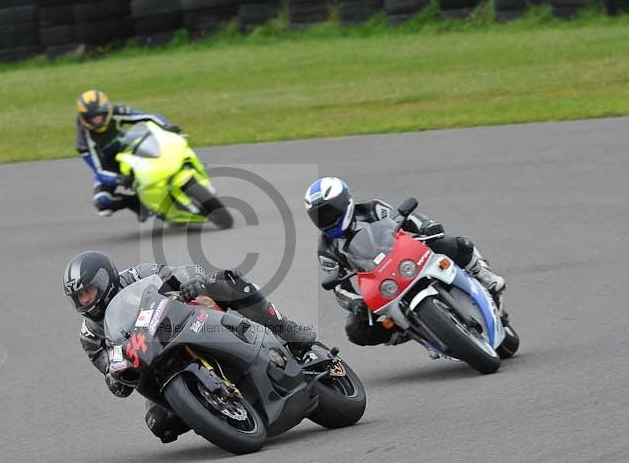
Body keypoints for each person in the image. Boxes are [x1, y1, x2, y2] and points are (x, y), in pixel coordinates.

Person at [63, 251, 317, 443]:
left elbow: (179, 272)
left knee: (225, 280)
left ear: (105, 278)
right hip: (150, 361)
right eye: (79, 297)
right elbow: (109, 372)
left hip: (180, 320)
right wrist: (116, 378)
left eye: (89, 291)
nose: (86, 300)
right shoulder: (90, 336)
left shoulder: (136, 275)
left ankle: (286, 328)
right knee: (160, 424)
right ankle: (213, 410)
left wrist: (193, 281)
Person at [304, 177, 506, 352]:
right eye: (318, 216)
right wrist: (355, 302)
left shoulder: (372, 209)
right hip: (381, 282)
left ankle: (483, 274)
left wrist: (427, 226)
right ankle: (407, 330)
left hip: (408, 257)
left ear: (345, 202)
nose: (325, 220)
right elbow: (339, 288)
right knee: (356, 329)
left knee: (453, 244)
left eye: (328, 212)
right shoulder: (326, 250)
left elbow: (409, 218)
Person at [75, 89, 181, 221]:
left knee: (159, 148)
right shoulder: (83, 143)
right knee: (102, 202)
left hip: (127, 149)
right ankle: (136, 203)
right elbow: (99, 171)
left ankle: (180, 168)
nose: (97, 120)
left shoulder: (115, 111)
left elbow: (146, 116)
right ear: (84, 118)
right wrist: (118, 179)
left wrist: (166, 126)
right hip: (109, 167)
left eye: (99, 115)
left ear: (106, 110)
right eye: (92, 117)